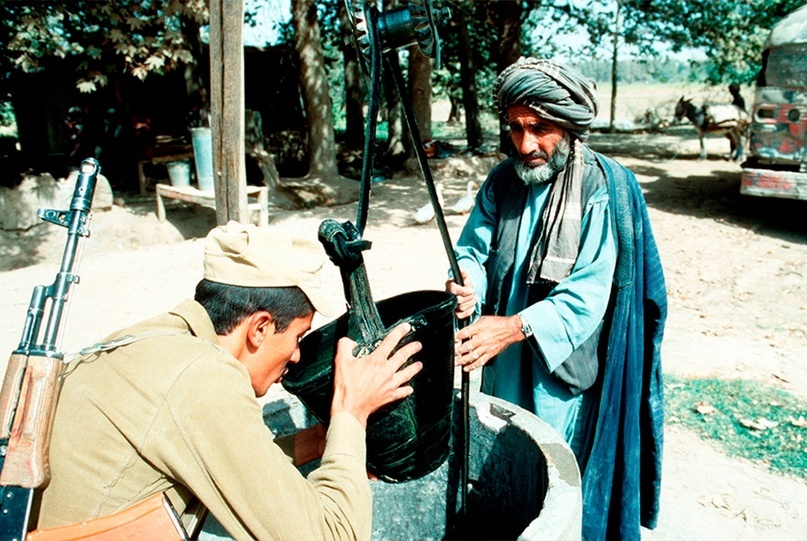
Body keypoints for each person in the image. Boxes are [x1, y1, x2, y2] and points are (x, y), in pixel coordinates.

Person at [37, 221, 423, 540]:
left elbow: (223, 457)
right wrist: (350, 412)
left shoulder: (159, 340)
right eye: (297, 338)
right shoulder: (201, 379)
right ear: (259, 328)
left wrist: (320, 442)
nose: (296, 355)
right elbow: (334, 537)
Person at [445, 57, 667, 540]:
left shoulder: (600, 187)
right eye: (516, 129)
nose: (526, 145)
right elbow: (472, 252)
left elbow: (589, 293)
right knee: (506, 460)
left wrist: (513, 327)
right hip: (503, 364)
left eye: (539, 128)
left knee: (553, 476)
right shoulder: (503, 180)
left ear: (567, 125)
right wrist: (465, 282)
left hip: (560, 369)